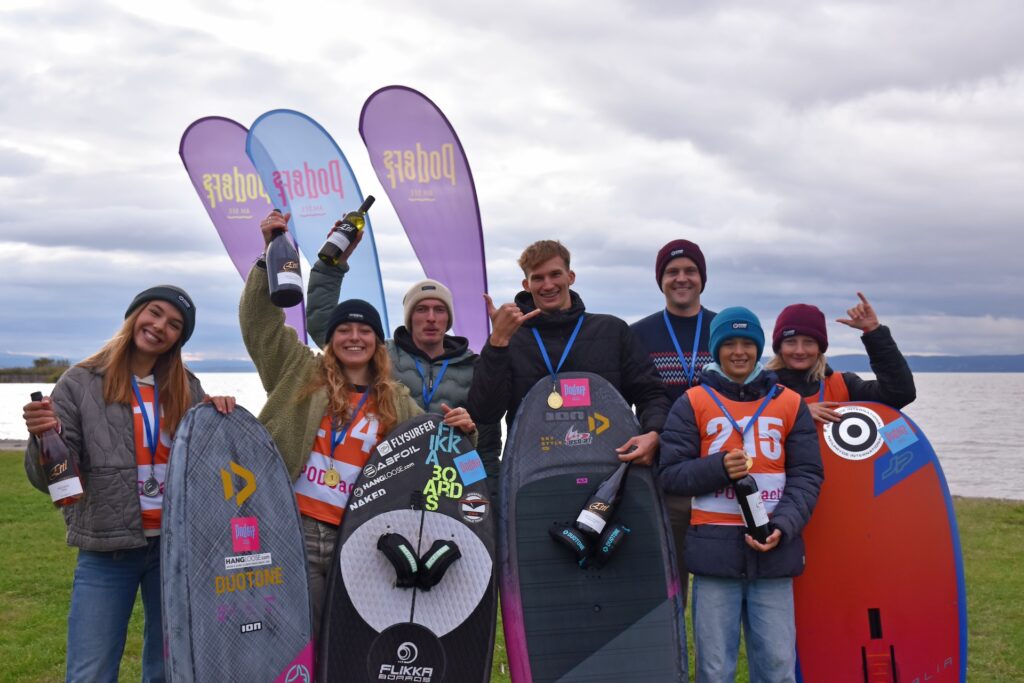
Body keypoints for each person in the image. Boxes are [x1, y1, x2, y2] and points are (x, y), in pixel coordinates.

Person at [241, 212, 476, 639]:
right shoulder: (297, 372)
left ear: (377, 341)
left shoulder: (395, 399)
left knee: (351, 639)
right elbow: (260, 325)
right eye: (343, 330)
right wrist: (267, 258)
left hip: (362, 534)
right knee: (298, 636)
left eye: (364, 330)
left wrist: (463, 429)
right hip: (294, 527)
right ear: (330, 339)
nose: (354, 337)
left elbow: (433, 451)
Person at [22, 286, 235, 683]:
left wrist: (222, 413)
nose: (159, 327)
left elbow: (207, 467)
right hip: (107, 551)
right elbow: (46, 479)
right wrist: (40, 438)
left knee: (168, 669)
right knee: (90, 671)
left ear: (180, 338)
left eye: (174, 325)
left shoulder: (187, 387)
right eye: (154, 313)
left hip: (174, 551)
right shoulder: (80, 383)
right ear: (134, 314)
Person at [658, 307, 823, 683]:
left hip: (774, 550)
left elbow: (807, 475)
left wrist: (783, 525)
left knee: (779, 667)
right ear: (716, 350)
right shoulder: (692, 401)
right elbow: (669, 474)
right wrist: (718, 468)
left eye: (747, 343)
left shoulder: (790, 403)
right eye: (729, 343)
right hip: (714, 555)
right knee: (715, 670)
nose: (738, 352)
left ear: (759, 347)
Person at [305, 232, 502, 497]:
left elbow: (486, 443)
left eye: (439, 310)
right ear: (409, 318)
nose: (431, 318)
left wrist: (483, 496)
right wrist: (331, 267)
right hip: (385, 483)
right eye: (421, 309)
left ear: (448, 319)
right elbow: (324, 328)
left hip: (448, 486)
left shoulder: (473, 366)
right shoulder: (381, 355)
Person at [468, 239, 670, 466]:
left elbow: (651, 394)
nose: (547, 285)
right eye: (538, 278)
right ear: (526, 284)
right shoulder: (511, 339)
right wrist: (497, 342)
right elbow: (485, 413)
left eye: (555, 274)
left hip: (608, 469)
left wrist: (653, 433)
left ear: (570, 277)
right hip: (532, 472)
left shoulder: (612, 330)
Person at [630, 239, 718, 604]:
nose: (681, 279)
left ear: (702, 278)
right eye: (672, 272)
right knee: (669, 587)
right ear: (660, 280)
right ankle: (674, 659)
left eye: (690, 271)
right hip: (667, 476)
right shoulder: (638, 334)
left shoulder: (723, 329)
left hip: (720, 472)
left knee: (719, 588)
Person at [766, 293, 916, 422]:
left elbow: (900, 394)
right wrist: (799, 412)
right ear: (780, 347)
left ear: (820, 348)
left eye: (809, 342)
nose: (799, 351)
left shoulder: (843, 386)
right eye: (791, 342)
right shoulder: (759, 387)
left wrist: (874, 332)